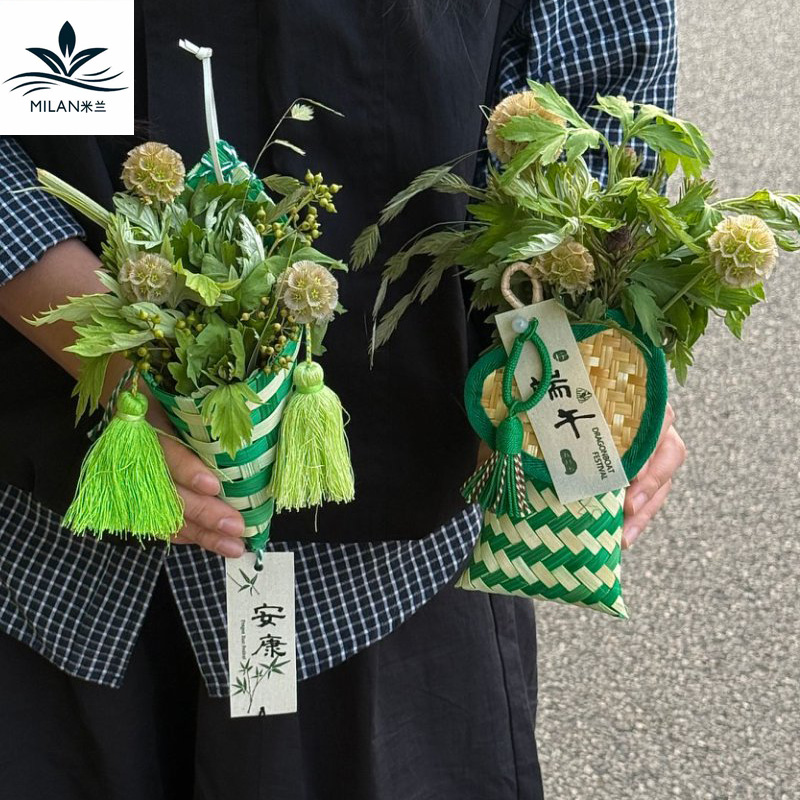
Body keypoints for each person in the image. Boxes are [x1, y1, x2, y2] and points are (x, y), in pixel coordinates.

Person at [0, 1, 686, 798]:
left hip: (383, 547)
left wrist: (598, 328)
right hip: (52, 515)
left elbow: (598, 55)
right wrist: (123, 355)